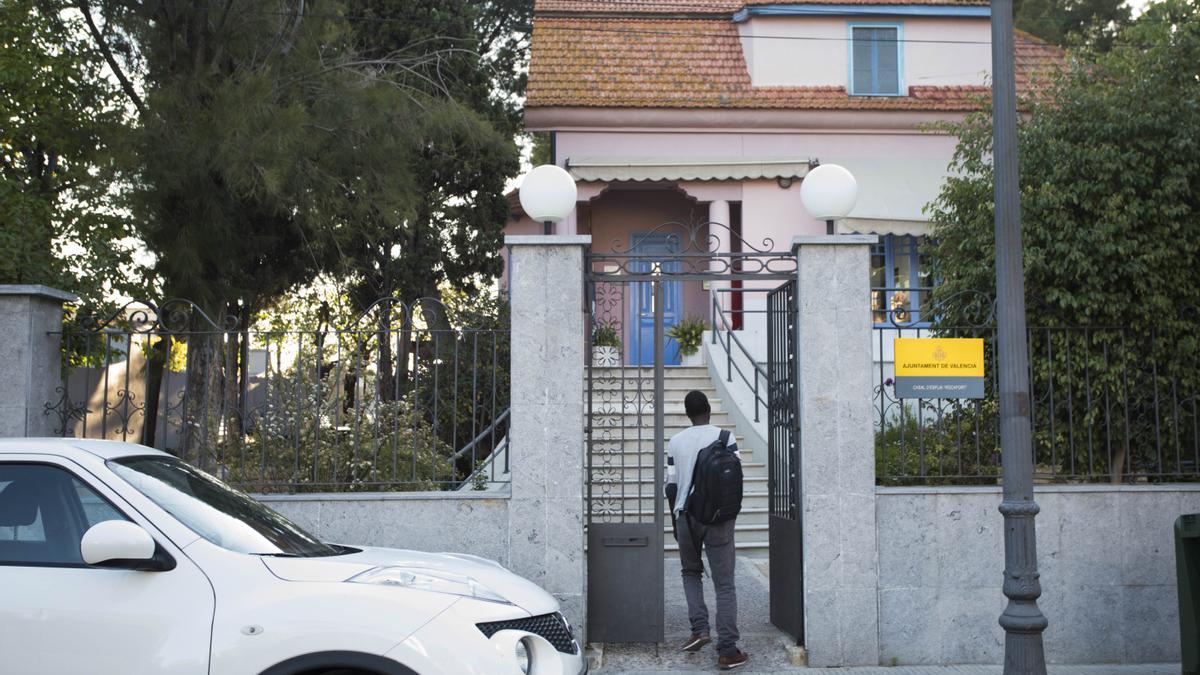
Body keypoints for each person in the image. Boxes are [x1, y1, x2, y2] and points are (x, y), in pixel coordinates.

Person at [665, 390, 748, 670]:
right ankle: (727, 650)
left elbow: (671, 485)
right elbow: (736, 477)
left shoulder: (676, 442)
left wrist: (675, 518)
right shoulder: (725, 438)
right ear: (709, 410)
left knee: (691, 573)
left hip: (685, 516)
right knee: (725, 584)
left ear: (688, 414)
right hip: (718, 519)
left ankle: (699, 630)